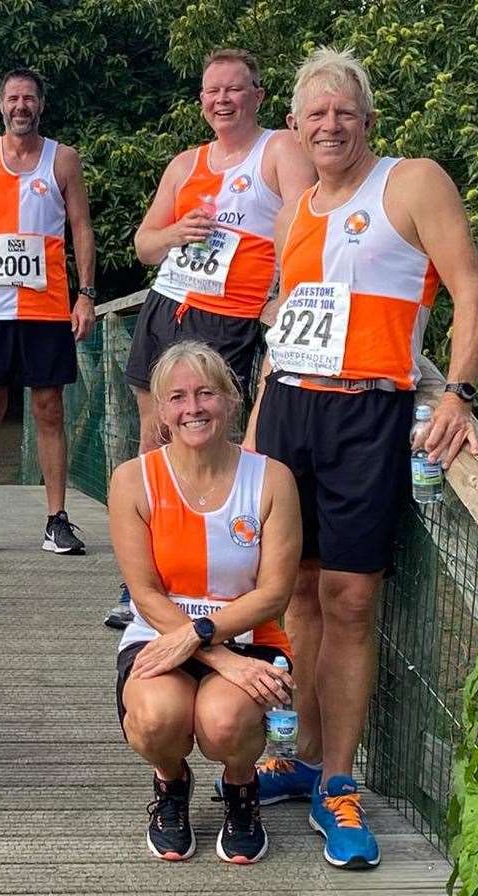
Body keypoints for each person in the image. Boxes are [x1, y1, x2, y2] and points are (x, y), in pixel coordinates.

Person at [244, 48, 478, 869]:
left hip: (368, 412)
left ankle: (342, 779)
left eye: (344, 111)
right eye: (315, 113)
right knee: (297, 592)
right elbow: (286, 326)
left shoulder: (412, 181)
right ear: (295, 127)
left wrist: (457, 392)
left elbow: (469, 290)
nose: (330, 124)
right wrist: (252, 432)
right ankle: (306, 754)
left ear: (368, 120)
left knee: (350, 599)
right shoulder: (296, 210)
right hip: (289, 412)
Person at [105, 48, 316, 630]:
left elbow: (305, 227)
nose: (222, 100)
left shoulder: (280, 150)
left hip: (231, 320)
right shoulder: (185, 163)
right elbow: (145, 245)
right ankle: (142, 583)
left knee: (215, 442)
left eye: (234, 89)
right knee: (157, 440)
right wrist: (175, 231)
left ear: (258, 96)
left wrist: (282, 295)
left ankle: (221, 577)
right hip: (169, 306)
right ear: (201, 101)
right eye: (211, 92)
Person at [110, 341, 300, 865]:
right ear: (162, 411)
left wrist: (205, 639)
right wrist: (213, 652)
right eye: (177, 397)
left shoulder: (271, 479)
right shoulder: (133, 479)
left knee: (223, 723)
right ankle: (171, 784)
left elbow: (274, 593)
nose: (192, 407)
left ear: (230, 401)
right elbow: (145, 593)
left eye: (205, 393)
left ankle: (241, 790)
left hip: (251, 636)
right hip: (160, 631)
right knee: (155, 718)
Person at [0, 68, 96, 555]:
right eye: (13, 98)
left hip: (46, 306)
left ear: (41, 105)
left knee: (49, 408)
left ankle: (56, 518)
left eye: (29, 98)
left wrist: (87, 294)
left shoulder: (63, 159)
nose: (21, 106)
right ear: (1, 104)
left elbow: (81, 229)